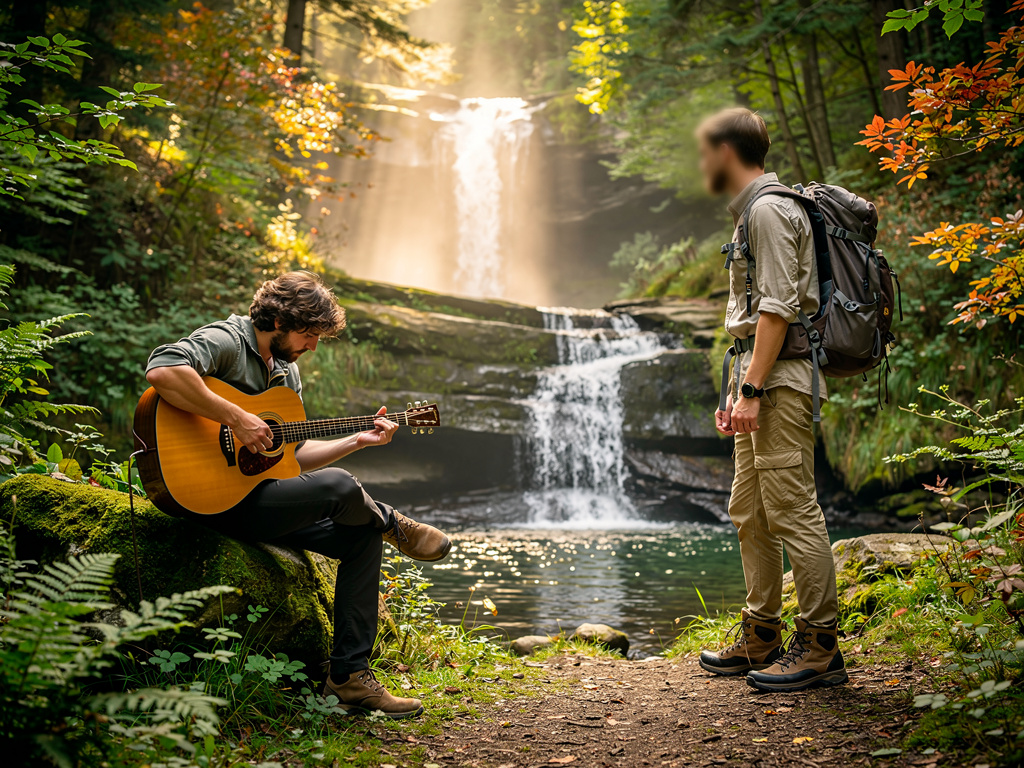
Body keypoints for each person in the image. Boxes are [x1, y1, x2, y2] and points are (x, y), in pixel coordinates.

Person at [144, 271, 452, 718]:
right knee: (344, 486)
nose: (313, 346)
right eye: (309, 334)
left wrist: (356, 441)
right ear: (280, 320)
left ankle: (348, 677)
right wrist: (235, 417)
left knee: (360, 538)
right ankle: (395, 524)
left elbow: (293, 457)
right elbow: (162, 369)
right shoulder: (228, 340)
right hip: (207, 499)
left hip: (259, 498)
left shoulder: (286, 371)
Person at [695, 108, 846, 692]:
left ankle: (821, 648)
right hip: (757, 378)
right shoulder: (750, 213)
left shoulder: (770, 210)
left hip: (779, 382)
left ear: (727, 152)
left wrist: (752, 390)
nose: (702, 163)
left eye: (706, 151)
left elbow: (779, 307)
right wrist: (737, 391)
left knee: (791, 508)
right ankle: (762, 634)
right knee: (750, 512)